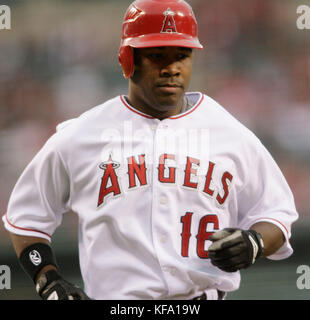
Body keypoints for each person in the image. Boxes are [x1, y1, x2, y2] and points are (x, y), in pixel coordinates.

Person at [3, 0, 298, 300]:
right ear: (127, 60)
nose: (172, 69)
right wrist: (47, 279)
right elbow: (26, 216)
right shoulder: (81, 136)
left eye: (181, 56)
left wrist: (255, 242)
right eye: (158, 56)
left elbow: (277, 213)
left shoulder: (230, 133)